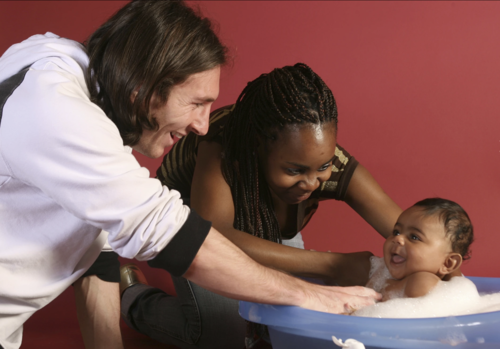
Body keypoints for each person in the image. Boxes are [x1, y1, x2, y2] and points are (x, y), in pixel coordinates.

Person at [0, 2, 380, 349]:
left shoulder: (57, 61)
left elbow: (94, 253)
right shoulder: (57, 114)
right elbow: (171, 236)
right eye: (196, 103)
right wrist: (311, 295)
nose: (202, 124)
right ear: (142, 91)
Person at [118, 63, 403, 349]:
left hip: (261, 227)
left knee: (293, 321)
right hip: (193, 220)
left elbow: (415, 233)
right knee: (224, 333)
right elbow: (214, 236)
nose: (312, 183)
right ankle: (134, 297)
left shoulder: (328, 166)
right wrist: (332, 265)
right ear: (258, 147)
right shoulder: (222, 145)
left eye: (324, 166)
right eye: (294, 170)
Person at [366, 198, 474, 301]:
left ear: (447, 263)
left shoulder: (424, 282)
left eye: (414, 237)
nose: (397, 238)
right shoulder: (383, 272)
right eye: (396, 232)